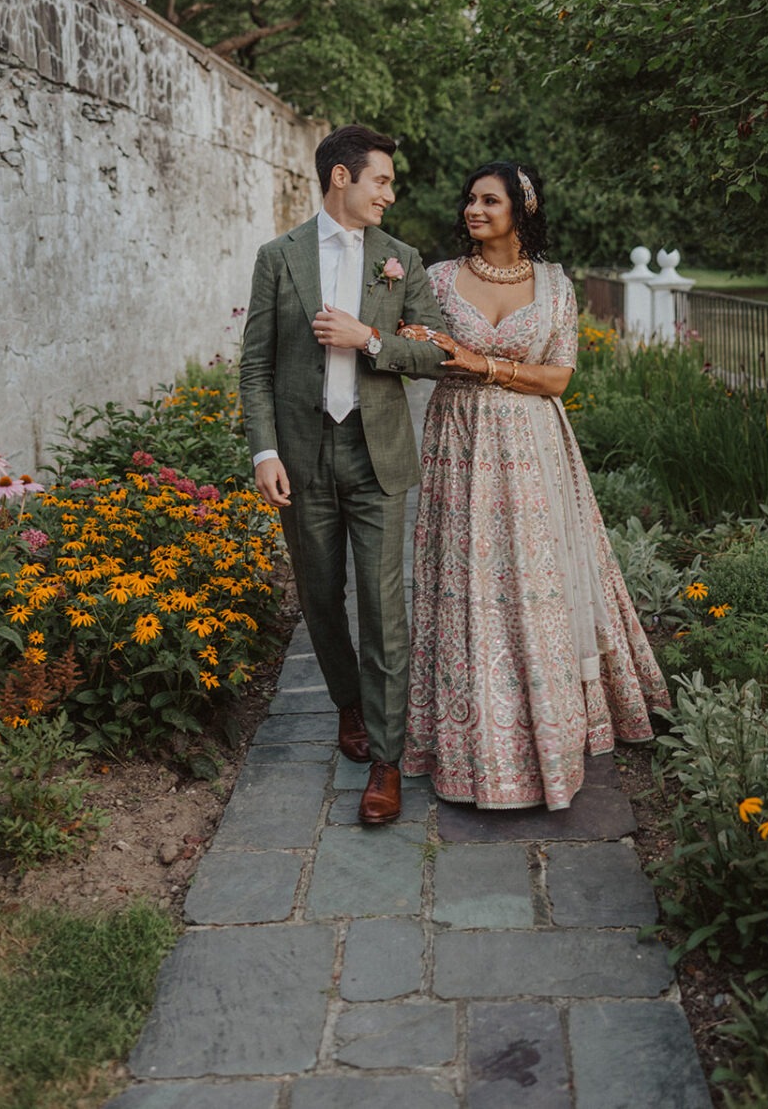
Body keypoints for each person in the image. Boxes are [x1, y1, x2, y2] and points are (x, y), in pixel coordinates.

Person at [399, 161, 670, 810]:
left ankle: (546, 729)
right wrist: (415, 340)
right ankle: (470, 740)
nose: (473, 210)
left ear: (522, 209)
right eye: (469, 199)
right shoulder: (438, 278)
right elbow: (414, 348)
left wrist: (481, 363)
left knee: (534, 577)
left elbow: (558, 379)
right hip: (458, 445)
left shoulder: (553, 285)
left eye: (489, 200)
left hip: (535, 447)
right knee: (466, 580)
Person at [239, 125, 446, 825]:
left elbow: (436, 352)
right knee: (321, 599)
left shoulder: (401, 260)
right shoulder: (279, 257)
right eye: (381, 180)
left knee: (386, 611)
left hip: (376, 454)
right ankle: (348, 707)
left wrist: (371, 340)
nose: (390, 192)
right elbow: (256, 366)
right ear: (341, 179)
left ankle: (387, 760)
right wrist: (264, 453)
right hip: (301, 459)